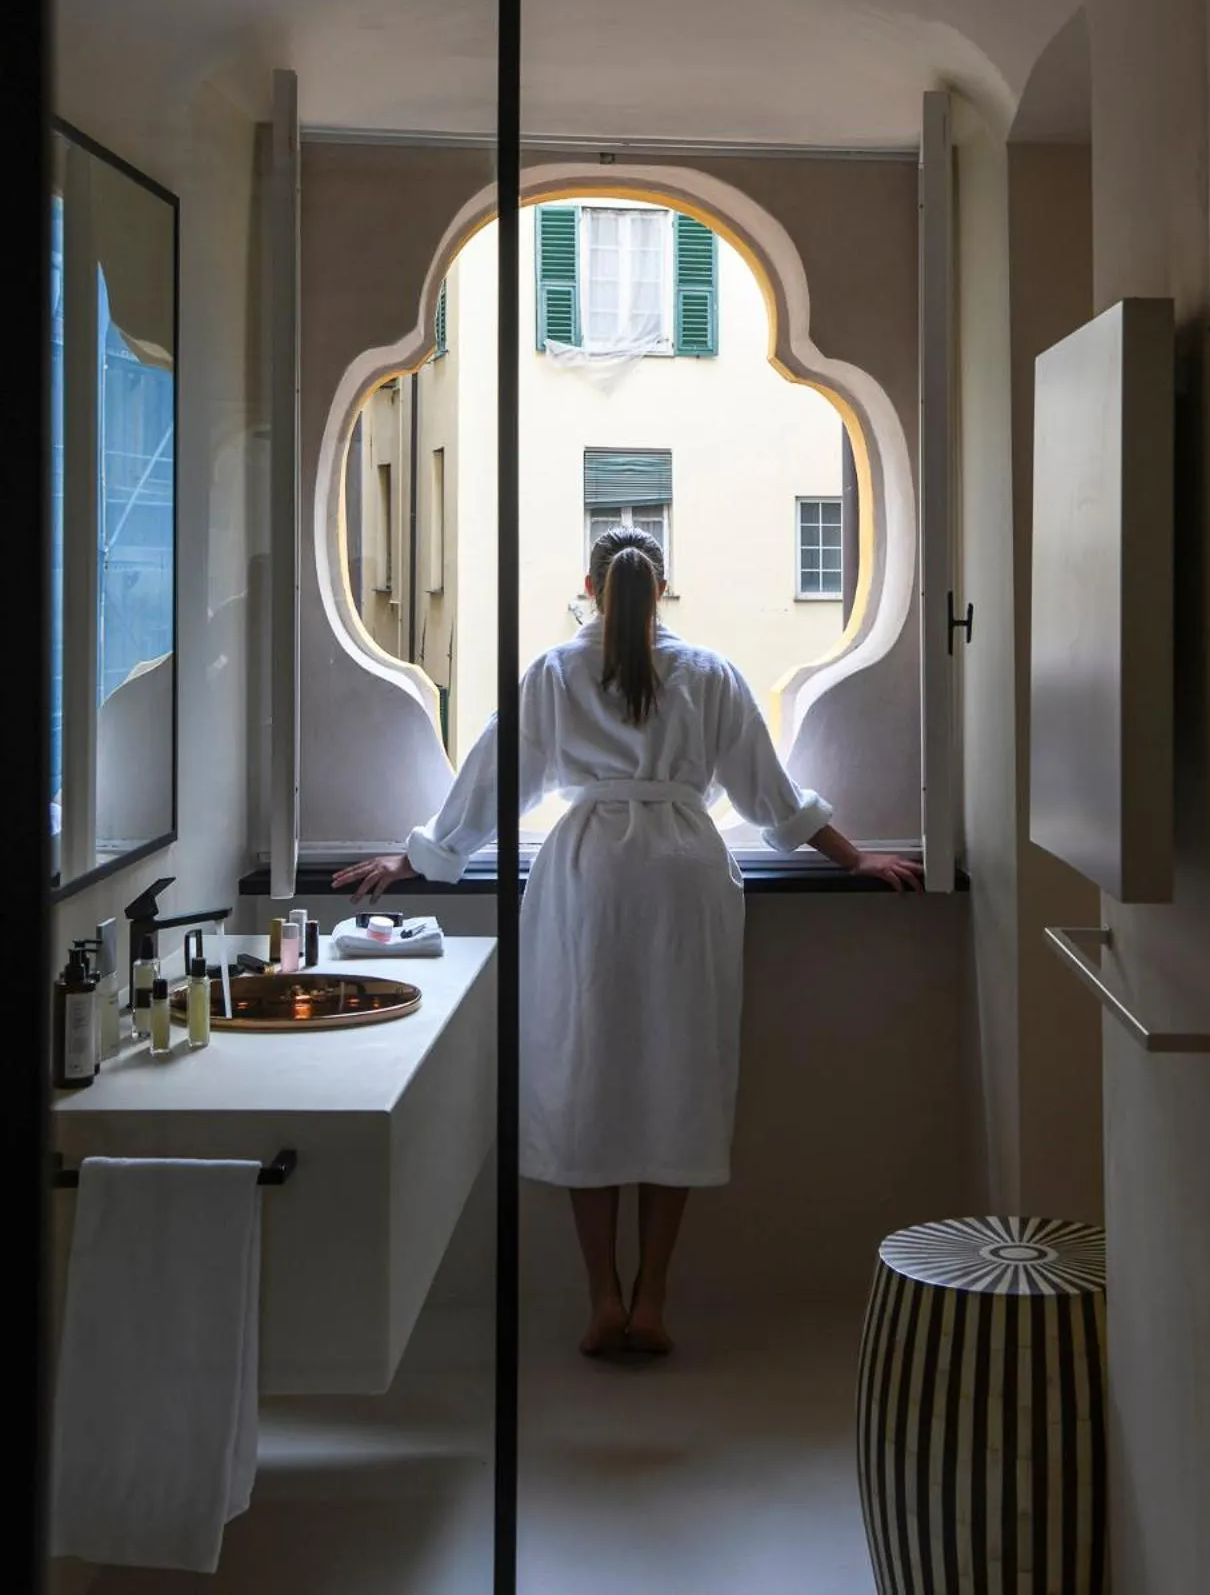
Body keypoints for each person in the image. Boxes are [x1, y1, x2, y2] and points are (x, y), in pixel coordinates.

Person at [335, 527, 922, 1358]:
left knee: (588, 1074)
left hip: (588, 880)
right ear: (662, 586)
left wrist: (417, 858)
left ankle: (601, 1297)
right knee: (677, 1075)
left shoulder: (551, 672)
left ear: (590, 585)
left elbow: (494, 780)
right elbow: (769, 793)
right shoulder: (710, 672)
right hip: (683, 878)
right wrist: (854, 858)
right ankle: (653, 1297)